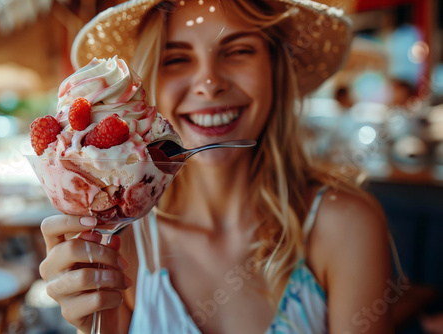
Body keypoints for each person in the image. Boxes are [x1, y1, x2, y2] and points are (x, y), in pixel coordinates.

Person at [39, 0, 393, 333]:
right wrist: (95, 323)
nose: (209, 84)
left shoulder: (344, 227)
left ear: (275, 70)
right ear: (143, 88)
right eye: (176, 58)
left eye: (238, 51)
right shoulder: (124, 240)